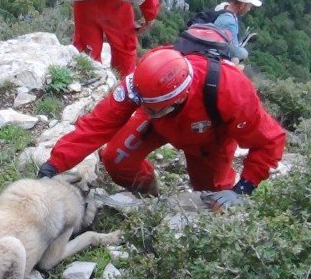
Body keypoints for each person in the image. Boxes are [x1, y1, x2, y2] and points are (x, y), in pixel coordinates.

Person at [37, 47, 285, 210]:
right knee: (116, 159)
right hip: (159, 124)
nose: (142, 107)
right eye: (141, 104)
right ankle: (149, 194)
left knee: (214, 201)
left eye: (152, 107)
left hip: (209, 140)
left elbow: (269, 140)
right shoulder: (141, 87)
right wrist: (54, 164)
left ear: (180, 98)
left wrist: (244, 188)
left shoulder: (230, 91)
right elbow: (97, 125)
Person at [187, 0, 264, 63]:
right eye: (249, 6)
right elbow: (234, 52)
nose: (249, 9)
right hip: (209, 56)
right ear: (243, 5)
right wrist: (244, 53)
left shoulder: (221, 7)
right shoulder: (229, 22)